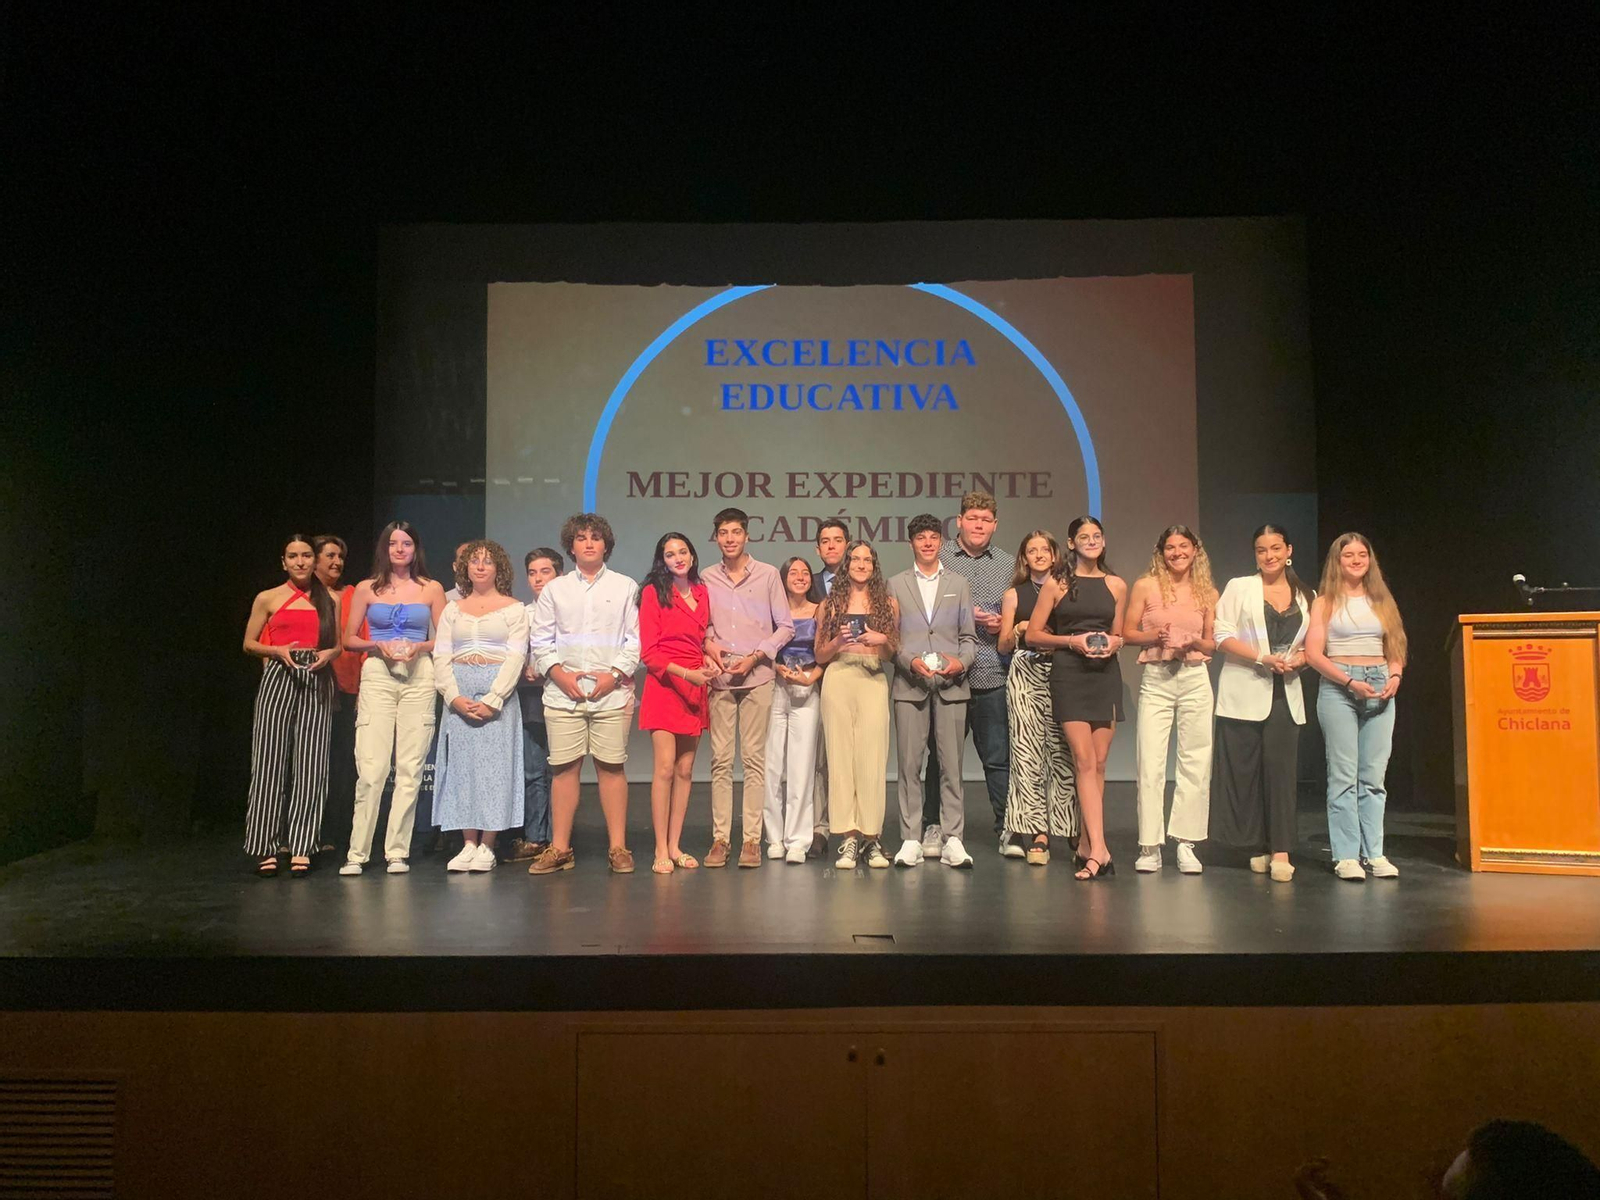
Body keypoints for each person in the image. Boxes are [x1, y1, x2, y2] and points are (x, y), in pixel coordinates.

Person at [526, 514, 640, 875]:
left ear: (606, 544)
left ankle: (618, 847)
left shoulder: (625, 586)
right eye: (581, 538)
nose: (588, 543)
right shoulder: (555, 590)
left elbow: (634, 640)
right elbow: (541, 640)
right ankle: (560, 848)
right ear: (570, 546)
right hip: (563, 695)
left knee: (611, 767)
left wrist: (615, 674)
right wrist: (558, 674)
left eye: (595, 537)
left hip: (611, 693)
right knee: (564, 770)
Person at [1208, 524, 1314, 882]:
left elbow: (1311, 645)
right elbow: (1221, 635)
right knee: (1246, 771)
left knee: (1281, 771)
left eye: (1275, 548)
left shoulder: (1306, 594)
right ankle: (1257, 845)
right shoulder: (1240, 587)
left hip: (1287, 691)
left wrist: (1300, 660)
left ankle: (1280, 849)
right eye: (1261, 550)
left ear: (1289, 551)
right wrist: (1261, 658)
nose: (1269, 556)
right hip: (1246, 688)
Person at [339, 521, 446, 876]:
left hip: (419, 674)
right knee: (371, 769)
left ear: (416, 549)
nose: (400, 549)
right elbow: (349, 639)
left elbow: (446, 639)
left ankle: (396, 851)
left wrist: (419, 646)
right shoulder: (367, 588)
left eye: (407, 543)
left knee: (411, 768)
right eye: (393, 544)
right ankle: (357, 853)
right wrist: (377, 643)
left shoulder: (431, 588)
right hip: (378, 673)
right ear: (384, 549)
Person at [1025, 516, 1126, 880]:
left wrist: (1116, 643)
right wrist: (1071, 641)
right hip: (1070, 673)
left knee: (1099, 763)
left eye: (1097, 535)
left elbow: (1119, 635)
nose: (1091, 541)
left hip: (1105, 676)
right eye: (1084, 536)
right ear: (1071, 543)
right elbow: (1033, 635)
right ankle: (1100, 850)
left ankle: (1086, 843)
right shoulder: (1057, 583)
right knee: (1083, 761)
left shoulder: (1116, 585)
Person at [1306, 532, 1408, 881]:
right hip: (1340, 687)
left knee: (1373, 777)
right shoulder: (1324, 602)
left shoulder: (1381, 599)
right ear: (1337, 560)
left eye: (1361, 554)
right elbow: (1313, 654)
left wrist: (1394, 674)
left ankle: (1374, 853)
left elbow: (1395, 643)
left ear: (1370, 559)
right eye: (1348, 555)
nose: (1355, 560)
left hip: (1380, 686)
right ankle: (1347, 856)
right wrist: (1349, 682)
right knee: (1344, 776)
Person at [241, 535, 341, 876]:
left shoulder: (329, 599)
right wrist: (277, 651)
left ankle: (302, 845)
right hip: (279, 677)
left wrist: (330, 653)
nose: (300, 562)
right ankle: (264, 846)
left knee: (311, 765)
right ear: (283, 562)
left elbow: (338, 646)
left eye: (306, 555)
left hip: (317, 678)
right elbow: (248, 643)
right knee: (269, 762)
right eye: (293, 556)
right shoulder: (268, 598)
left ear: (314, 561)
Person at [1120, 525, 1218, 874]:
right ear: (1161, 552)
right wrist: (1154, 635)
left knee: (1195, 760)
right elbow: (1126, 633)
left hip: (1194, 677)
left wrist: (1193, 643)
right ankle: (1149, 845)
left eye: (1184, 546)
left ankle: (1186, 842)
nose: (1177, 553)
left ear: (1195, 550)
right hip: (1158, 677)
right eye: (1170, 548)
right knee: (1150, 760)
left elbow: (1212, 643)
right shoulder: (1146, 585)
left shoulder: (1207, 590)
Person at [701, 508, 794, 869]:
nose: (730, 539)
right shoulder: (707, 578)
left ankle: (751, 840)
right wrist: (711, 645)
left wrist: (756, 656)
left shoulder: (768, 575)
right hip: (722, 677)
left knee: (754, 760)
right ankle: (721, 839)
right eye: (723, 532)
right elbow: (702, 625)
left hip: (756, 677)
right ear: (716, 537)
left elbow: (784, 626)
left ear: (746, 536)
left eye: (736, 532)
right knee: (721, 761)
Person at [927, 491, 1015, 859]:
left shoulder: (1009, 564)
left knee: (997, 757)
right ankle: (935, 826)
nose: (978, 525)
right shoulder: (940, 557)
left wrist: (1004, 624)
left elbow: (1024, 614)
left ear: (994, 525)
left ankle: (1008, 827)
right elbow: (923, 610)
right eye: (972, 518)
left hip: (991, 672)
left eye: (986, 520)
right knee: (939, 758)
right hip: (947, 674)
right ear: (959, 521)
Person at [432, 540, 528, 872]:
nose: (481, 567)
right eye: (475, 562)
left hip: (496, 694)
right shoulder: (451, 609)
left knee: (495, 770)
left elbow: (516, 656)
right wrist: (453, 697)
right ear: (465, 569)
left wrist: (494, 698)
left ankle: (488, 843)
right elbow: (442, 655)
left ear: (498, 568)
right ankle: (467, 842)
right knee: (463, 769)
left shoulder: (514, 608)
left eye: (488, 562)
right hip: (460, 691)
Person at [889, 515, 977, 868]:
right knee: (909, 766)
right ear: (911, 543)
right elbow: (891, 640)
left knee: (951, 766)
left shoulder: (959, 582)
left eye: (933, 537)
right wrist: (910, 661)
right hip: (910, 686)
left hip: (951, 686)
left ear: (942, 542)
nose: (927, 543)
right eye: (920, 538)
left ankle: (953, 837)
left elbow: (969, 639)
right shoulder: (894, 584)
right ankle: (911, 837)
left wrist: (960, 663)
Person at [814, 540, 898, 870]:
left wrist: (882, 641)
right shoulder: (830, 603)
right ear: (846, 564)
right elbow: (820, 654)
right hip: (839, 677)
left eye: (867, 559)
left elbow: (893, 653)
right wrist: (838, 641)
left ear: (874, 565)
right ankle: (848, 838)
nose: (861, 564)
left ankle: (871, 838)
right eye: (855, 559)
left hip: (873, 679)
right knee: (841, 757)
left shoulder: (887, 603)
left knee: (872, 758)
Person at [637, 532, 717, 875]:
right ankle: (659, 849)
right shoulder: (654, 592)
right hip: (667, 683)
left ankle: (675, 845)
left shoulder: (702, 591)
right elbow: (649, 653)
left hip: (697, 683)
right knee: (665, 768)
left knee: (686, 770)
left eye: (683, 551)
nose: (678, 558)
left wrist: (711, 657)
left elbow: (702, 638)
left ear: (693, 556)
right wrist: (687, 673)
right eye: (670, 554)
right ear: (662, 561)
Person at [999, 530, 1078, 865]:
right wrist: (1018, 630)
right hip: (1026, 672)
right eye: (1032, 550)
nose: (1039, 554)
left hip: (1062, 670)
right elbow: (1002, 645)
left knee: (1063, 750)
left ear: (1054, 553)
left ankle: (1071, 825)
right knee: (1027, 752)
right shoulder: (1014, 595)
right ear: (1024, 558)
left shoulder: (1068, 589)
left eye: (1044, 549)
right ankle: (1037, 831)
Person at [504, 547, 563, 863]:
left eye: (546, 571)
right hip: (530, 699)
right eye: (533, 573)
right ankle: (536, 837)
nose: (538, 578)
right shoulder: (521, 613)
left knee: (562, 771)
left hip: (565, 695)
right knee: (533, 770)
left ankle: (560, 838)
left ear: (560, 575)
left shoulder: (571, 611)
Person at [313, 533, 360, 856]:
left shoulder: (354, 594)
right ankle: (308, 831)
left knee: (344, 764)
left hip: (349, 689)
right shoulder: (304, 597)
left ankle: (337, 831)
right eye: (329, 555)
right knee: (313, 762)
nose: (337, 562)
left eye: (340, 556)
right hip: (313, 688)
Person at [808, 517, 849, 858]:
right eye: (825, 540)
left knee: (852, 757)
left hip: (856, 680)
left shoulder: (865, 583)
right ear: (817, 548)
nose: (832, 545)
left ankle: (854, 828)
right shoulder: (809, 586)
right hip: (816, 682)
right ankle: (819, 829)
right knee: (820, 760)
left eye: (838, 539)